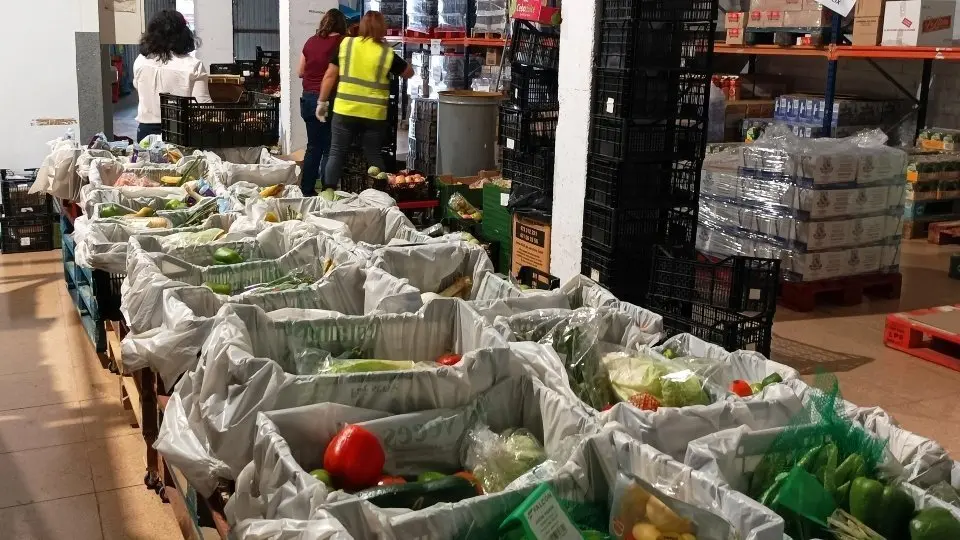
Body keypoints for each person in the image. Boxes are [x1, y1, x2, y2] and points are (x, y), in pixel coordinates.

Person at [316, 11, 414, 199]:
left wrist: (322, 102)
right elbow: (408, 73)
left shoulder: (347, 44)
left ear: (361, 26)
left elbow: (330, 75)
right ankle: (381, 195)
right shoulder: (386, 53)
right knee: (373, 154)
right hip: (373, 115)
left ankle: (328, 193)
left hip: (345, 110)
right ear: (382, 28)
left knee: (336, 151)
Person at [134, 10, 211, 142]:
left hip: (146, 134)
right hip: (180, 132)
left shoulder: (140, 61)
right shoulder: (193, 66)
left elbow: (139, 89)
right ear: (183, 34)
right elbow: (203, 107)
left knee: (148, 162)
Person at [298, 9, 347, 196]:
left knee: (313, 147)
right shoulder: (342, 42)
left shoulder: (310, 41)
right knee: (329, 147)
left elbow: (300, 71)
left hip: (307, 99)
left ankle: (307, 189)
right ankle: (328, 189)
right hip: (328, 100)